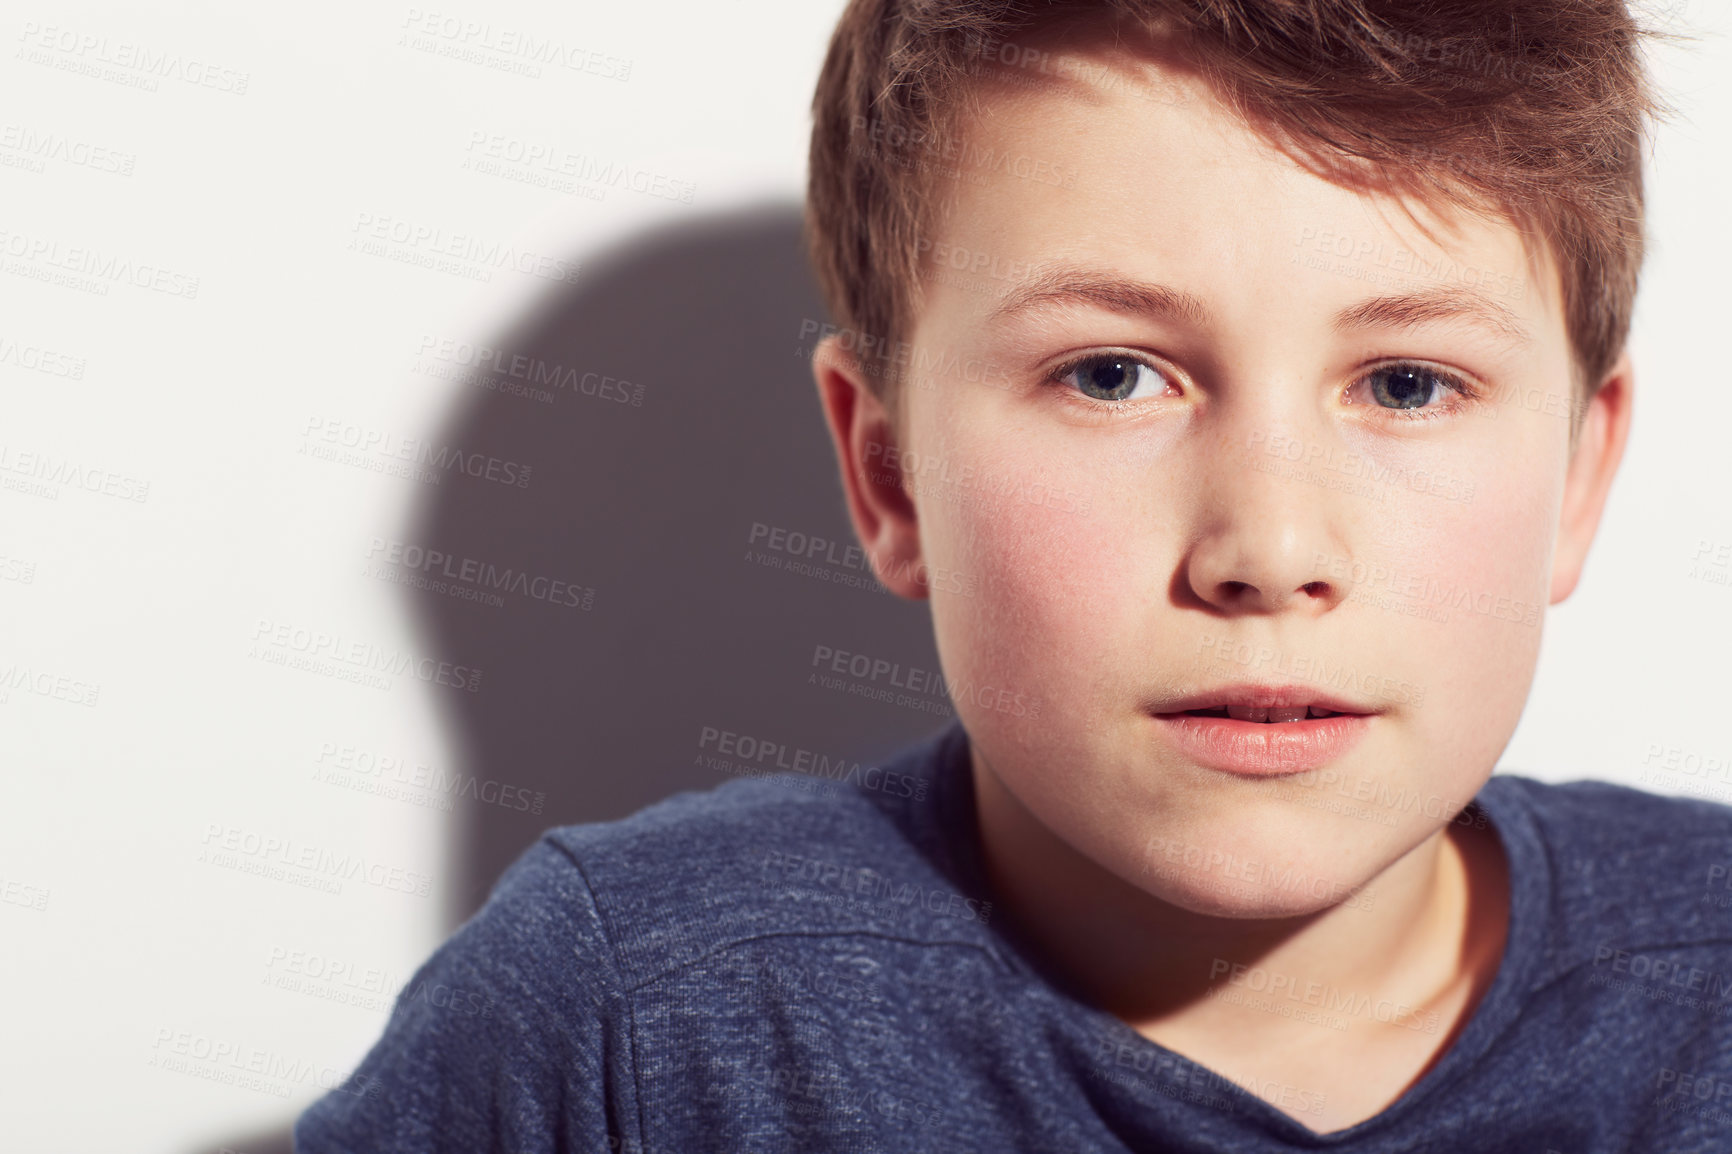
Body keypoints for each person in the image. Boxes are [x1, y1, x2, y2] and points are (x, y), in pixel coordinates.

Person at [296, 2, 1731, 1150]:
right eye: (1112, 375)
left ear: (1579, 479)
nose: (1272, 552)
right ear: (887, 473)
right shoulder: (633, 1022)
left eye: (1409, 383)